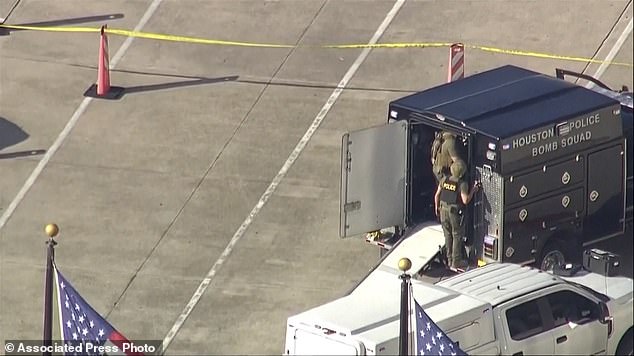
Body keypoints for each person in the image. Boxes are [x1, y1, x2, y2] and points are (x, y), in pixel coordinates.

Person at [434, 160, 479, 271]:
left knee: (447, 236)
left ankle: (449, 260)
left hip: (443, 210)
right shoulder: (462, 184)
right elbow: (465, 200)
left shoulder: (444, 179)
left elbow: (437, 195)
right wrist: (473, 190)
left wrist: (437, 208)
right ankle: (456, 261)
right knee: (457, 236)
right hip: (454, 213)